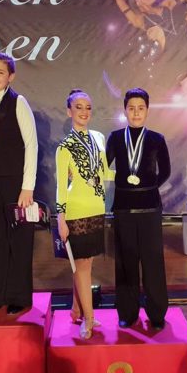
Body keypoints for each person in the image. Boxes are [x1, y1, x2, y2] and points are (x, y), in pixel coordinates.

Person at [0, 52, 38, 315]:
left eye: (0, 72)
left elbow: (31, 144)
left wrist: (27, 187)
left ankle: (19, 297)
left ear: (11, 76)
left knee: (19, 240)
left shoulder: (18, 102)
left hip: (16, 183)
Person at [106, 88, 171, 330]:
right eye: (131, 108)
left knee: (153, 262)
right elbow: (104, 166)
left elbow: (165, 171)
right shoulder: (115, 138)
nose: (136, 113)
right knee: (125, 262)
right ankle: (127, 312)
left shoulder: (157, 139)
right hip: (123, 208)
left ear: (147, 110)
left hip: (150, 208)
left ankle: (156, 313)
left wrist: (148, 187)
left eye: (140, 108)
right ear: (125, 110)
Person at [56, 89, 112, 339]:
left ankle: (76, 308)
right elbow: (60, 186)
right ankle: (88, 318)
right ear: (69, 112)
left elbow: (105, 174)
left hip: (97, 208)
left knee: (86, 263)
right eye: (78, 107)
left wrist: (133, 175)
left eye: (88, 107)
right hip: (76, 210)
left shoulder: (99, 138)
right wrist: (61, 218)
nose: (84, 112)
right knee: (81, 265)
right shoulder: (64, 147)